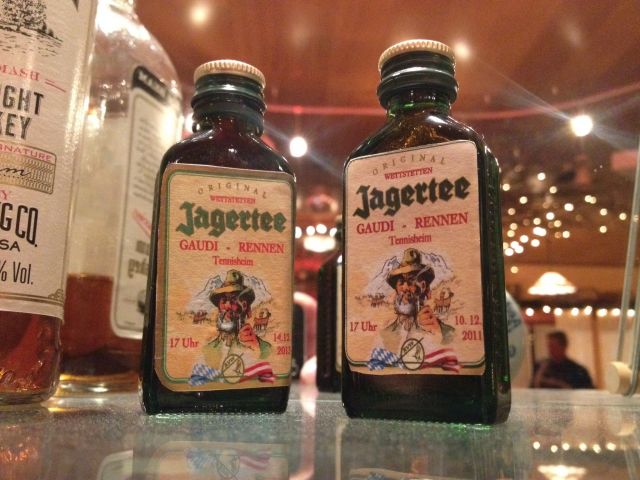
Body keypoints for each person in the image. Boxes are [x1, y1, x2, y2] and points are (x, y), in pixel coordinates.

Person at [207, 270, 271, 358]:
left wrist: (256, 350)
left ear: (244, 306)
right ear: (218, 307)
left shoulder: (264, 349)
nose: (227, 306)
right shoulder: (207, 350)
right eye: (224, 301)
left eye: (233, 300)